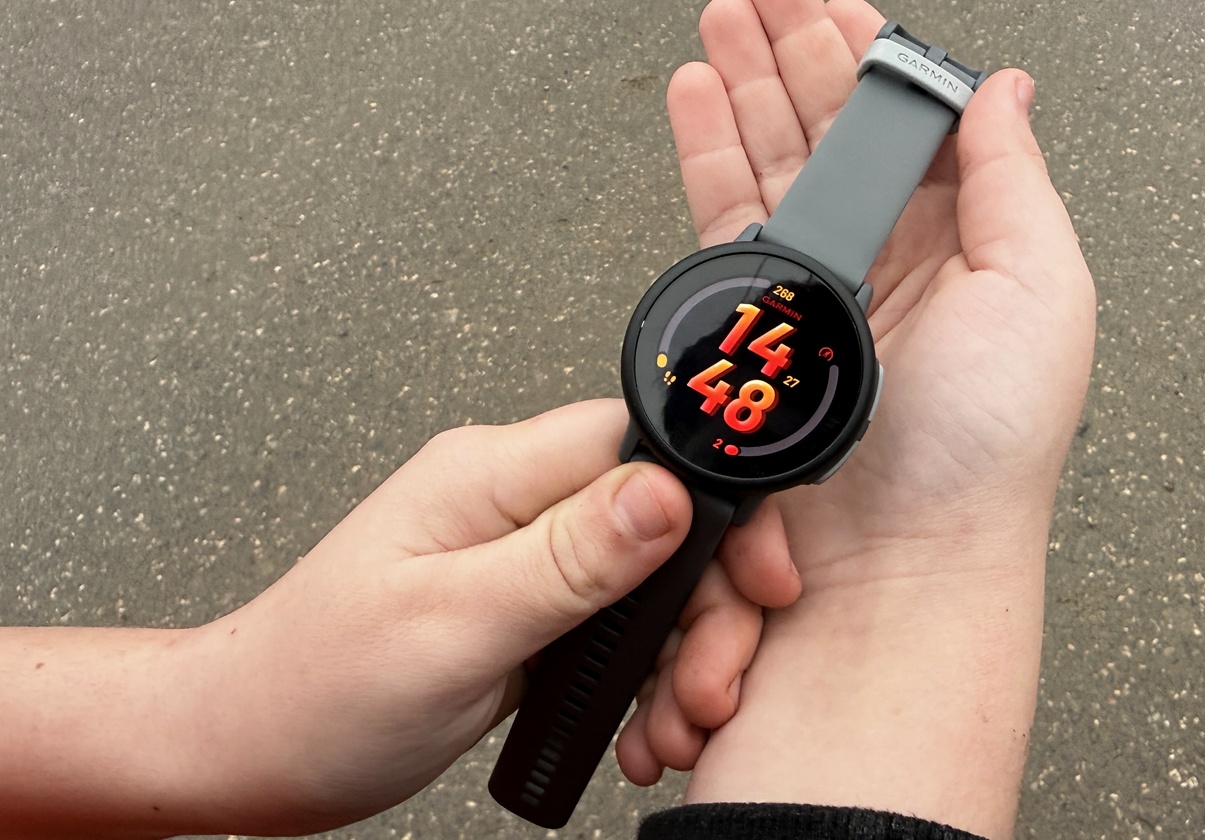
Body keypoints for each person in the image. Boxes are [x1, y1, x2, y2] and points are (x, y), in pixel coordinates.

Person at [0, 0, 1094, 838]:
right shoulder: (787, 366)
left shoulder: (748, 336)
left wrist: (209, 723)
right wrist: (210, 720)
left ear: (835, 412)